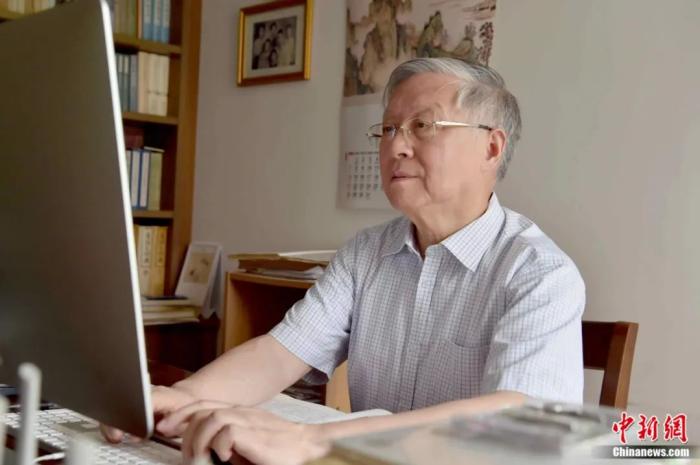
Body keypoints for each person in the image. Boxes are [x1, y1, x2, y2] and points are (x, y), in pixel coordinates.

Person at [103, 58, 585, 465]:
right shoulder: (365, 253)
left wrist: (312, 439)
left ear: (491, 147)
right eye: (389, 128)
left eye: (423, 126)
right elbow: (281, 352)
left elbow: (519, 419)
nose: (396, 145)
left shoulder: (539, 273)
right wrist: (185, 398)